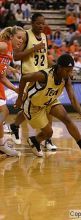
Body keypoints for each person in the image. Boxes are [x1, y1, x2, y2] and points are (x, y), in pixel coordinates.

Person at [15, 53, 81, 158]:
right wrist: (19, 98)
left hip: (50, 101)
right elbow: (24, 78)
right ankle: (35, 140)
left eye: (71, 70)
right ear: (59, 67)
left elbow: (72, 98)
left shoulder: (66, 78)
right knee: (49, 133)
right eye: (67, 70)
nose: (69, 73)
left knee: (67, 119)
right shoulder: (43, 75)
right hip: (33, 106)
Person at [10, 12, 57, 151]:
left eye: (43, 23)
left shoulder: (44, 36)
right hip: (28, 76)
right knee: (30, 107)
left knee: (46, 105)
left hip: (42, 77)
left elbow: (44, 56)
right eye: (38, 23)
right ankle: (16, 126)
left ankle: (47, 138)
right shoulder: (25, 35)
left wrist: (53, 68)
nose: (41, 26)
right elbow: (16, 56)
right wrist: (33, 49)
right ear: (32, 23)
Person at [0, 26, 25, 156]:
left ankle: (1, 145)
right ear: (11, 36)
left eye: (23, 39)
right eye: (19, 37)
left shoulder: (9, 53)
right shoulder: (4, 45)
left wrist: (15, 89)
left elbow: (2, 77)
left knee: (3, 113)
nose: (21, 41)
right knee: (4, 112)